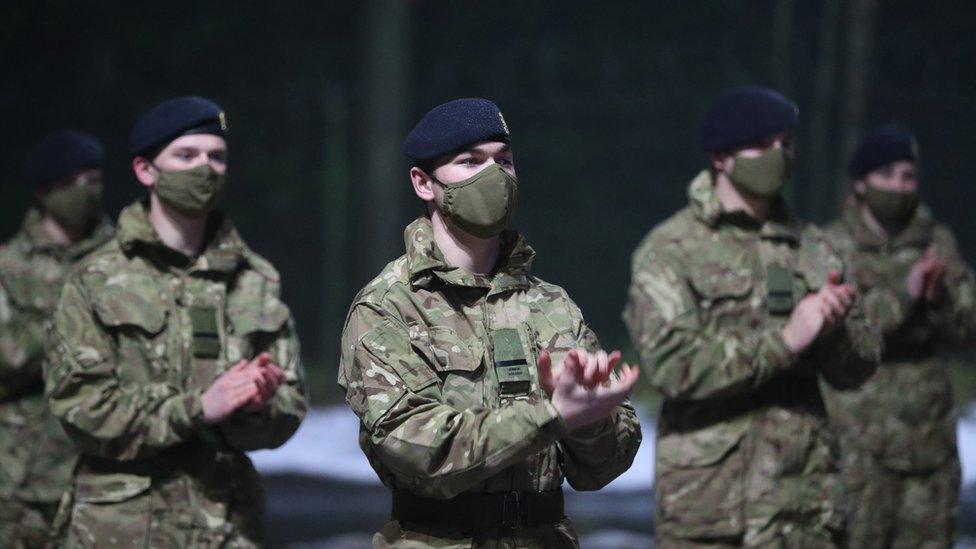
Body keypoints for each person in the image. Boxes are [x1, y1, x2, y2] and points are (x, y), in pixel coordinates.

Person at [339, 98, 642, 548]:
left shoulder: (551, 305)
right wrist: (552, 415)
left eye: (504, 160)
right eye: (470, 161)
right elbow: (417, 451)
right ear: (425, 183)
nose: (495, 175)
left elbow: (602, 468)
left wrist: (589, 420)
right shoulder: (388, 307)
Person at [623, 86, 881, 547]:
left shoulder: (814, 246)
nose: (778, 156)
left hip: (805, 509)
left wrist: (835, 329)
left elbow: (860, 368)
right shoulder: (671, 249)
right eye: (762, 146)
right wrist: (788, 339)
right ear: (721, 157)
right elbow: (672, 366)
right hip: (713, 512)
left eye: (786, 144)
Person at [44, 96, 307, 547]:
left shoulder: (255, 277)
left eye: (216, 156)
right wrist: (199, 408)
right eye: (186, 156)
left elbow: (291, 404)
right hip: (124, 527)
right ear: (146, 170)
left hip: (227, 524)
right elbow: (81, 407)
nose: (204, 168)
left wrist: (257, 406)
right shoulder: (97, 277)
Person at [821, 124, 976, 548]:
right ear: (860, 182)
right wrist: (904, 295)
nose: (899, 186)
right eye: (887, 175)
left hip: (927, 441)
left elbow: (967, 330)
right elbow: (839, 330)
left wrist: (939, 295)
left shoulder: (936, 242)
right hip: (856, 438)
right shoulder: (831, 246)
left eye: (908, 176)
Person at [0, 130, 114, 547]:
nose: (88, 193)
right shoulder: (10, 267)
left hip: (108, 477)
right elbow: (7, 356)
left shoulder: (124, 259)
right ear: (48, 189)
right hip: (22, 482)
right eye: (76, 183)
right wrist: (78, 320)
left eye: (95, 181)